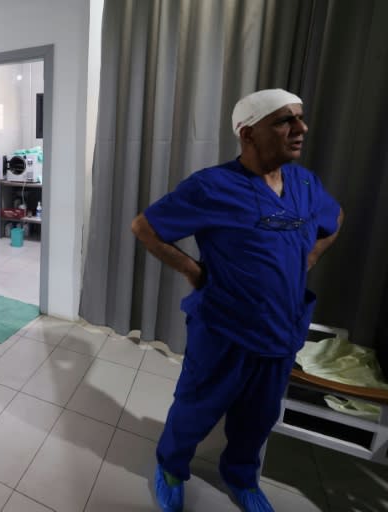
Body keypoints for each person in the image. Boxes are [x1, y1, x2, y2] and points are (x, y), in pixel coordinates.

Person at [130, 89, 343, 512]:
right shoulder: (212, 186)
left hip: (282, 328)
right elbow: (144, 227)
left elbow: (335, 218)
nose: (300, 129)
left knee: (259, 415)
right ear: (248, 134)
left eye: (300, 118)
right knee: (196, 406)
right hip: (224, 326)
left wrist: (311, 255)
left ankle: (241, 475)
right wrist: (193, 271)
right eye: (285, 121)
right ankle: (171, 468)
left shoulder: (304, 183)